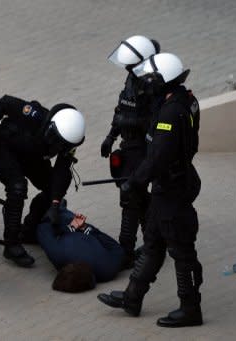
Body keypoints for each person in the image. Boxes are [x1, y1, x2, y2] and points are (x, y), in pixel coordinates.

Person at [97, 53, 203, 328]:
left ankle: (190, 308)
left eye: (151, 79)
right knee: (153, 241)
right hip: (168, 185)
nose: (147, 84)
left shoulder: (170, 112)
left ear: (163, 81)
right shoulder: (184, 100)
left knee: (182, 251)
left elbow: (159, 155)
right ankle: (133, 297)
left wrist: (136, 180)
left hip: (173, 188)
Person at [0, 96, 86, 267]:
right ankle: (11, 244)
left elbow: (61, 171)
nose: (59, 147)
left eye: (63, 145)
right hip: (4, 148)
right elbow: (4, 102)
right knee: (17, 187)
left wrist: (54, 203)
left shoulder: (70, 142)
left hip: (33, 157)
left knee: (53, 189)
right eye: (57, 141)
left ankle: (29, 230)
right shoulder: (36, 115)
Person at [101, 35, 161, 268]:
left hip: (144, 147)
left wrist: (131, 122)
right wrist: (110, 136)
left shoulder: (153, 85)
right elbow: (122, 109)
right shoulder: (132, 77)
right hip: (128, 145)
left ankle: (126, 250)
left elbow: (154, 121)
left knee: (130, 195)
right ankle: (154, 243)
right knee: (139, 199)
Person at [37, 202, 124, 284]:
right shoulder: (108, 270)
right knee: (60, 214)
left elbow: (42, 229)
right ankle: (58, 207)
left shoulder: (108, 270)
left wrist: (73, 228)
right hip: (73, 228)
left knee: (52, 214)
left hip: (63, 226)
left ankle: (56, 208)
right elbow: (115, 247)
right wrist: (84, 228)